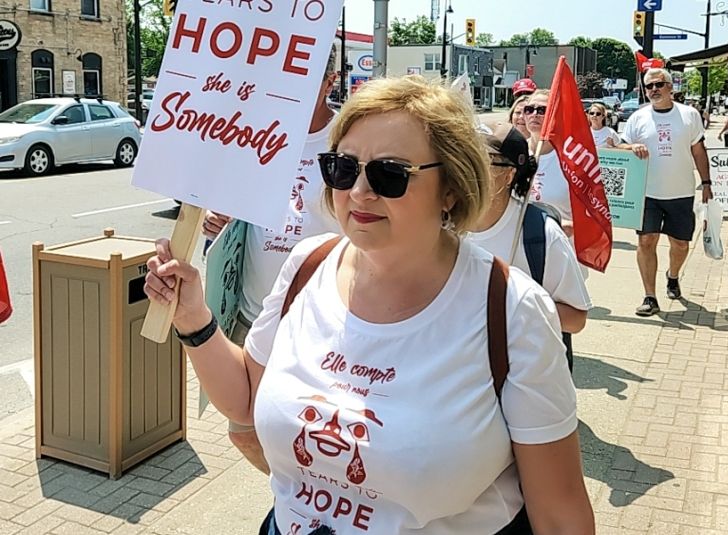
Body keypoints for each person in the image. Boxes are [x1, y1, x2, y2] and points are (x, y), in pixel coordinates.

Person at [143, 75, 594, 534]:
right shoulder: (307, 265)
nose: (359, 191)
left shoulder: (513, 308)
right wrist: (193, 318)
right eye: (342, 168)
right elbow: (245, 400)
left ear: (452, 188)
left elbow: (560, 516)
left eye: (390, 173)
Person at [200, 48, 340, 474]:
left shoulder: (346, 139)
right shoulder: (255, 131)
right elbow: (230, 204)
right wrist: (216, 218)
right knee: (244, 429)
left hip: (322, 322)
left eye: (304, 78)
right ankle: (295, 491)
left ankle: (311, 499)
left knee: (311, 432)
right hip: (254, 312)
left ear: (329, 83)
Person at [470, 122, 591, 336]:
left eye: (483, 162)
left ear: (509, 175)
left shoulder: (541, 234)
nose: (470, 170)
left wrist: (513, 309)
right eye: (466, 159)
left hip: (515, 366)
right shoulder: (441, 225)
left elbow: (575, 318)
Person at [617, 68, 712, 317]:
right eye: (649, 86)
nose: (654, 90)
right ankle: (650, 296)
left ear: (671, 87)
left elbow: (699, 151)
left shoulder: (689, 115)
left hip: (680, 192)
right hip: (647, 192)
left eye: (659, 84)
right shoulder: (638, 117)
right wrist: (631, 146)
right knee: (646, 240)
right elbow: (620, 145)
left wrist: (707, 182)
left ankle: (673, 275)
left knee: (680, 244)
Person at [524, 90, 574, 237]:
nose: (534, 114)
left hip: (563, 247)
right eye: (529, 109)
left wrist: (574, 226)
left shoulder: (572, 159)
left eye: (542, 110)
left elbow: (595, 211)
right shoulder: (514, 154)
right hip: (522, 248)